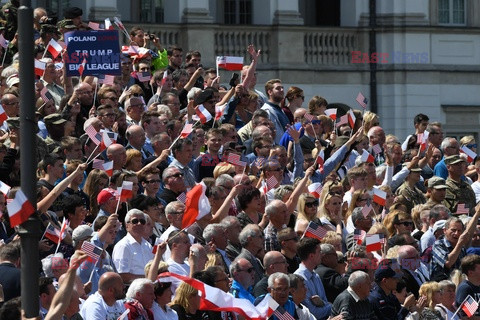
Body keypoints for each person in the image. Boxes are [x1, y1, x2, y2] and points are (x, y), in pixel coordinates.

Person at [112, 209, 154, 284]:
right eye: (135, 221)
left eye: (142, 221)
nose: (139, 224)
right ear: (127, 226)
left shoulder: (148, 246)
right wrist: (148, 278)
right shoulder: (123, 246)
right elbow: (122, 276)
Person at [294, 237, 332, 320]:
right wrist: (332, 306)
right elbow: (313, 313)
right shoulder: (299, 280)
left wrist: (323, 303)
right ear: (311, 256)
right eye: (319, 252)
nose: (322, 254)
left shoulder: (316, 275)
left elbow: (325, 302)